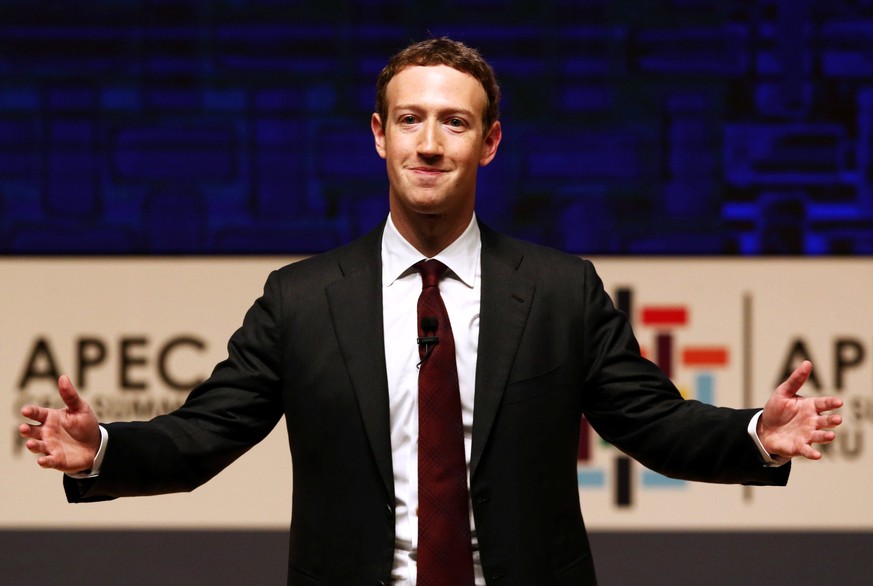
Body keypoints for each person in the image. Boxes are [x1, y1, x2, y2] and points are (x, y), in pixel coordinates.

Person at [20, 37, 842, 586]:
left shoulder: (560, 291)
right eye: (409, 120)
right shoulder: (302, 299)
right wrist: (104, 449)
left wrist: (752, 437)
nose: (428, 142)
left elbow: (651, 422)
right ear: (378, 135)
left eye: (454, 122)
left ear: (488, 143)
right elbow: (205, 434)